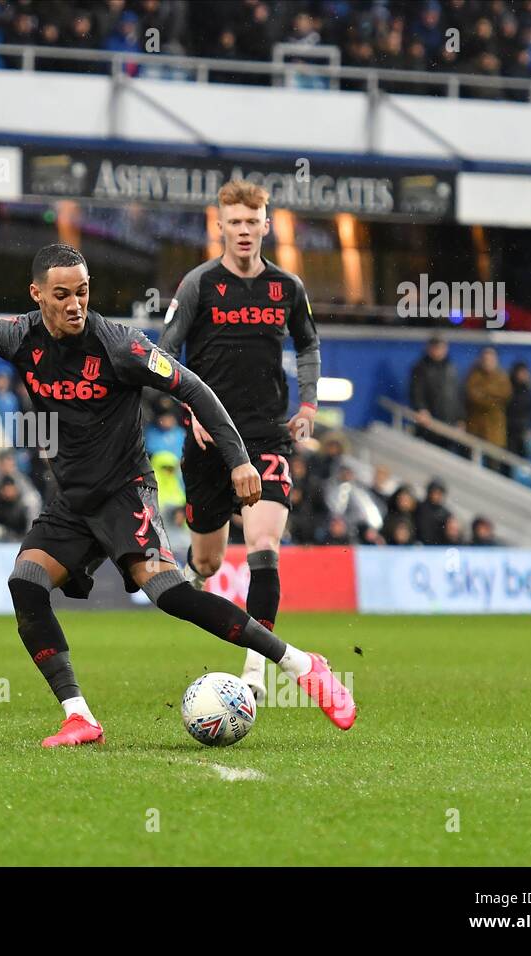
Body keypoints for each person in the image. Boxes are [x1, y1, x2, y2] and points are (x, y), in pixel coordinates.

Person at [0, 243, 355, 746]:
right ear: (37, 294)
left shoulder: (120, 345)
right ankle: (79, 717)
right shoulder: (17, 335)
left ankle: (300, 663)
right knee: (26, 583)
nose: (76, 305)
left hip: (124, 493)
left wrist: (239, 459)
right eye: (63, 295)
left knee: (171, 595)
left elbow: (194, 389)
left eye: (84, 293)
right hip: (72, 501)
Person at [158, 179, 321, 704]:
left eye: (253, 222)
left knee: (264, 548)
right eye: (235, 222)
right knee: (206, 563)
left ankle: (255, 670)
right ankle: (201, 570)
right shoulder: (199, 285)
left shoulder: (287, 288)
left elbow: (308, 344)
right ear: (220, 226)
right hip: (207, 437)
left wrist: (310, 403)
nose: (244, 231)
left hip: (266, 436)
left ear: (266, 225)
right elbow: (164, 352)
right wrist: (189, 406)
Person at [409, 336, 463, 448]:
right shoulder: (420, 368)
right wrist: (421, 409)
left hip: (449, 425)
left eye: (441, 347)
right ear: (429, 348)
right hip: (429, 425)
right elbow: (416, 391)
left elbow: (457, 395)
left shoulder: (451, 367)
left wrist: (460, 418)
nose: (438, 350)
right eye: (435, 347)